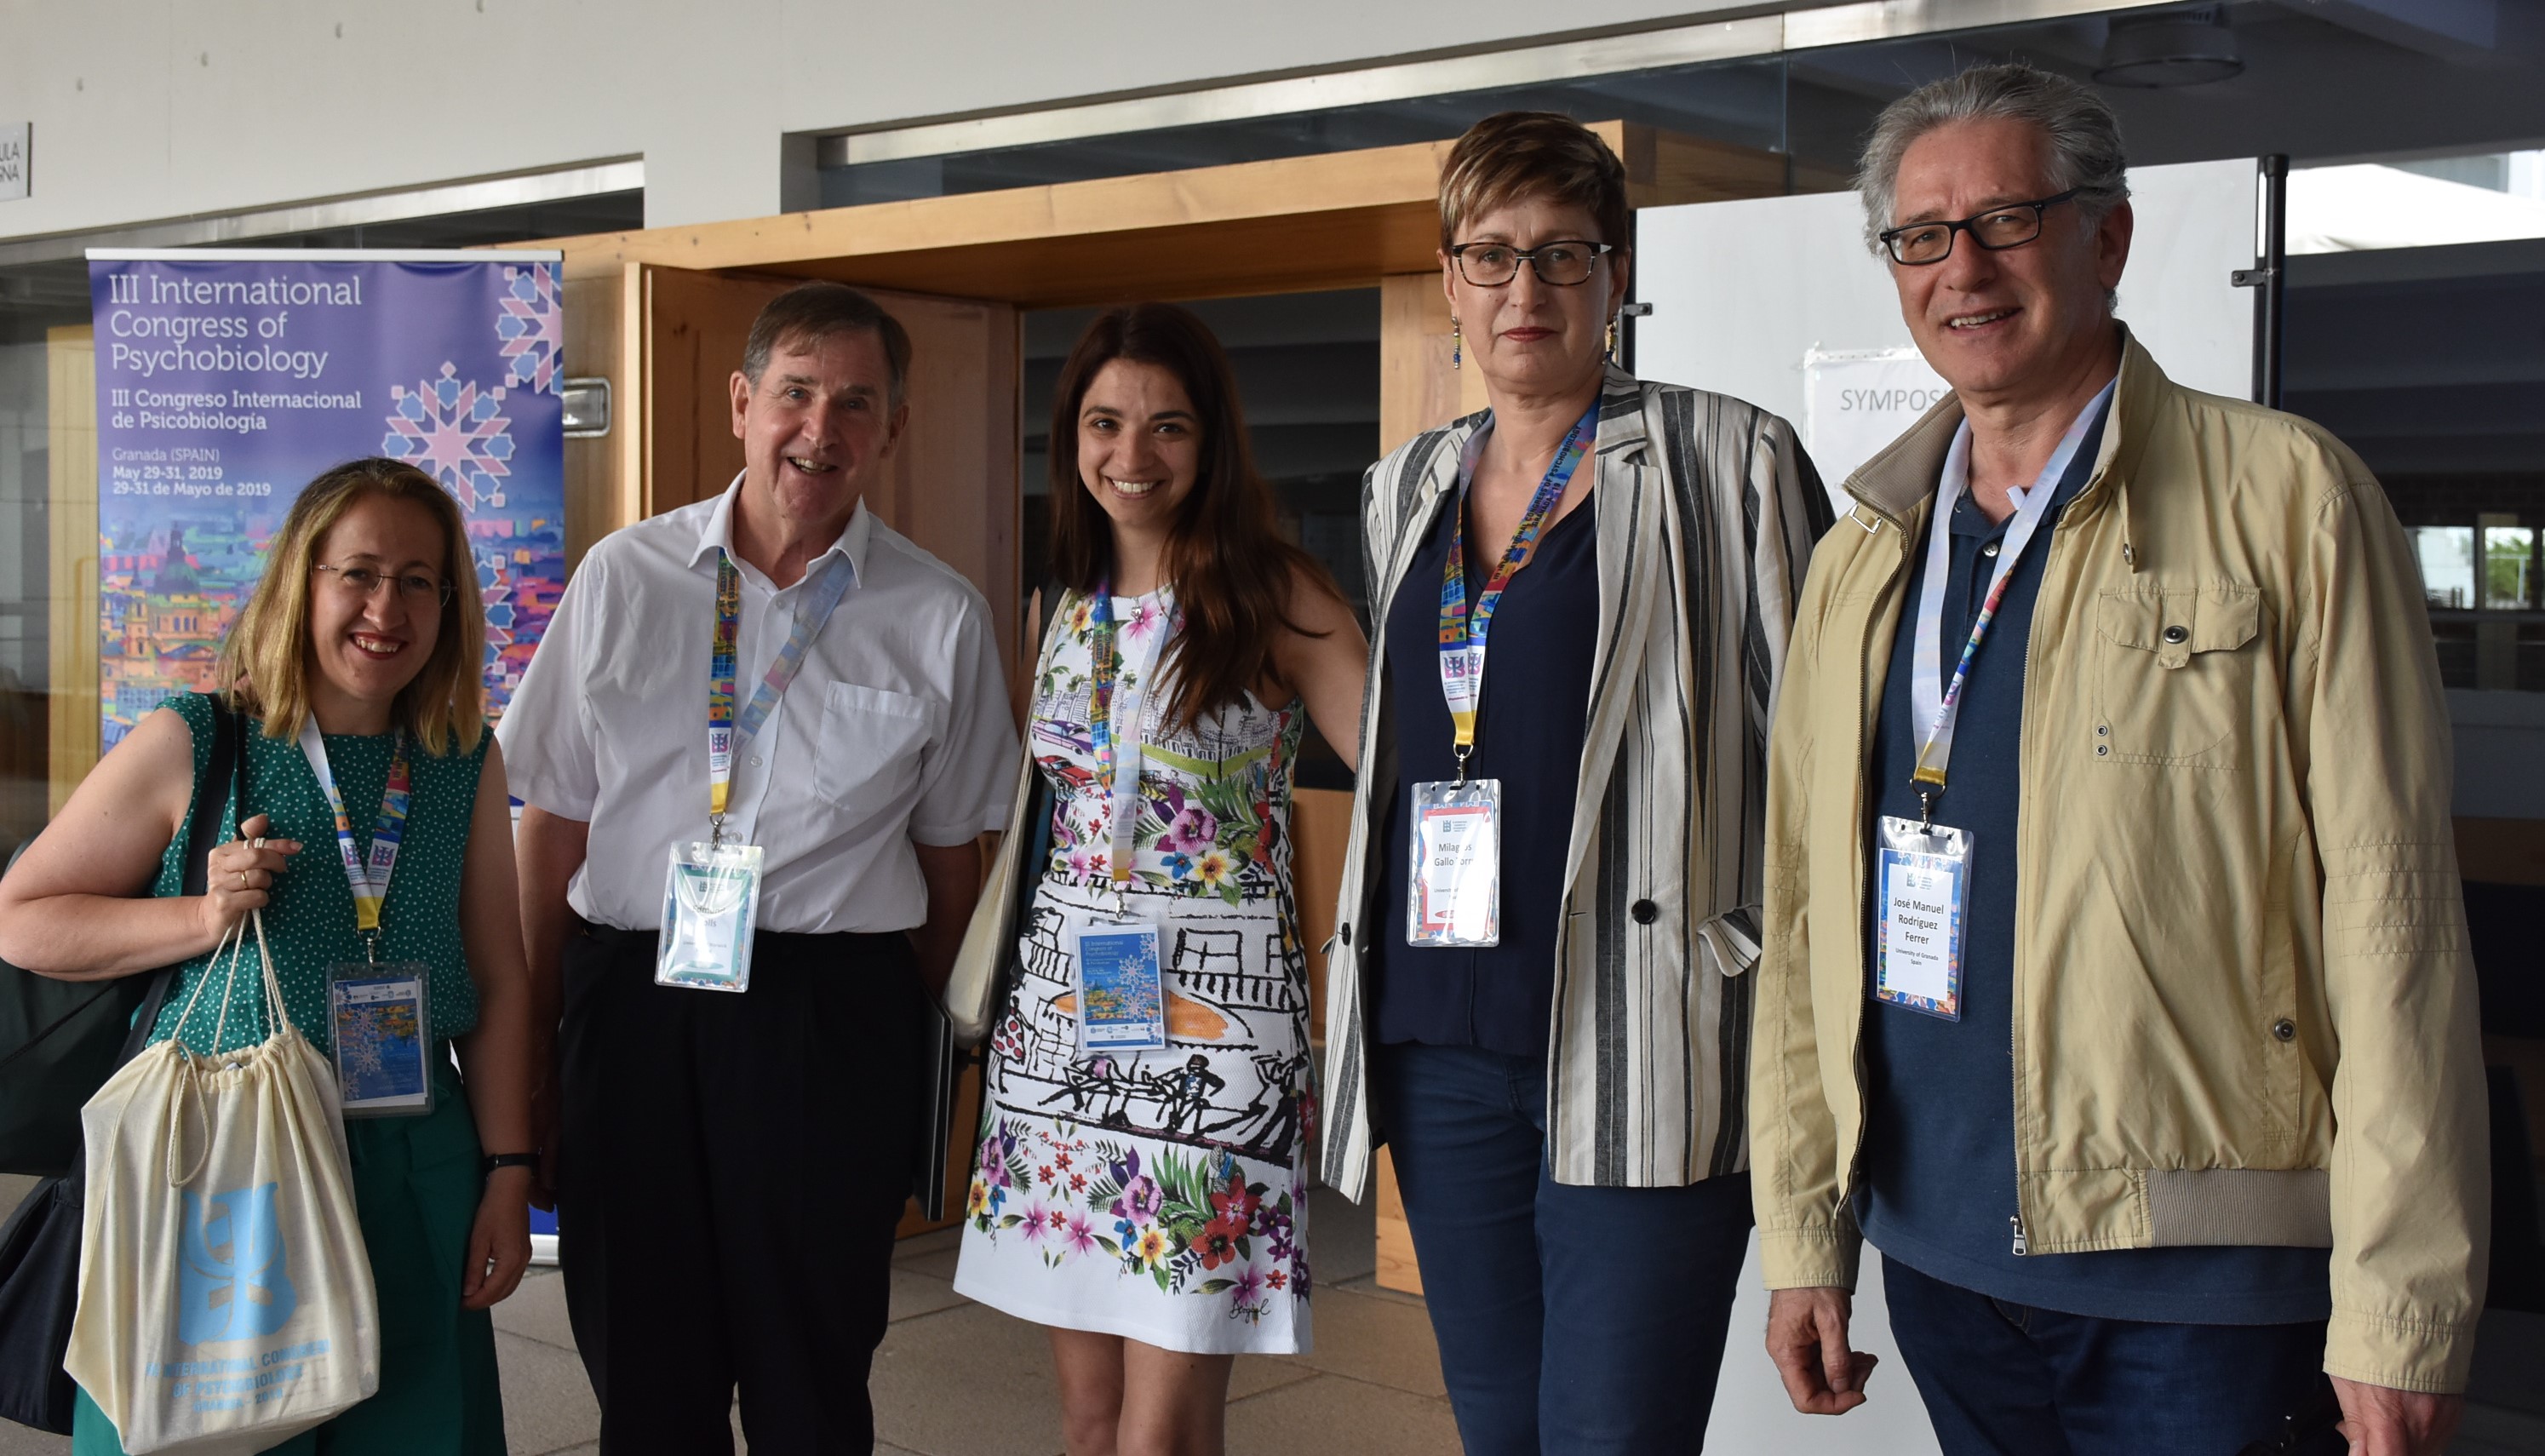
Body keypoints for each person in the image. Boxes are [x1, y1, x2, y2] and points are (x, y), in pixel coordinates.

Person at [1750, 63, 2488, 1456]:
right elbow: (1803, 919)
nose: (1961, 269)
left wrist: (2400, 1307)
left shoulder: (2287, 500)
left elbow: (2391, 919)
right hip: (1940, 1253)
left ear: (2108, 237)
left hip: (2201, 1281)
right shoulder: (1861, 557)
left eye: (2005, 220)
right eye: (1920, 236)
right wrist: (1803, 1233)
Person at [1315, 112, 1830, 1454]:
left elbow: (1824, 757)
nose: (1524, 288)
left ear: (1616, 274)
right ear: (1450, 280)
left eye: (1563, 253)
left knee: (1614, 1429)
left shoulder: (1731, 459)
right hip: (1440, 1039)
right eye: (1490, 255)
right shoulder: (1404, 484)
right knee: (1498, 1422)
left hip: (1643, 1027)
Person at [498, 281, 1015, 1453]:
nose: (819, 430)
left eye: (855, 403)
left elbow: (952, 869)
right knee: (645, 1378)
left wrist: (929, 1068)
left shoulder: (939, 616)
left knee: (810, 1380)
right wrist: (533, 1047)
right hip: (632, 1008)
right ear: (743, 403)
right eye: (795, 393)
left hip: (827, 1022)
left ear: (893, 426)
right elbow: (552, 829)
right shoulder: (622, 577)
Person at [0, 457, 538, 1454]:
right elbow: (23, 918)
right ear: (302, 581)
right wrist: (199, 920)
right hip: (222, 1161)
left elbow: (500, 980)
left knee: (412, 1429)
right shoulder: (199, 740)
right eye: (359, 574)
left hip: (409, 1161)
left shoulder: (462, 755)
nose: (387, 608)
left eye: (418, 581)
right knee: (202, 1428)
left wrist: (509, 1169)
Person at [952, 302, 1366, 1456]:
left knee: (1161, 1433)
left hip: (1216, 1034)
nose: (1131, 455)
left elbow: (1402, 781)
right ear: (1071, 438)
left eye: (1167, 425)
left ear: (1211, 438)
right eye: (1105, 423)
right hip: (1065, 1025)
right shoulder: (1062, 603)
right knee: (1091, 1423)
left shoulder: (1274, 592)